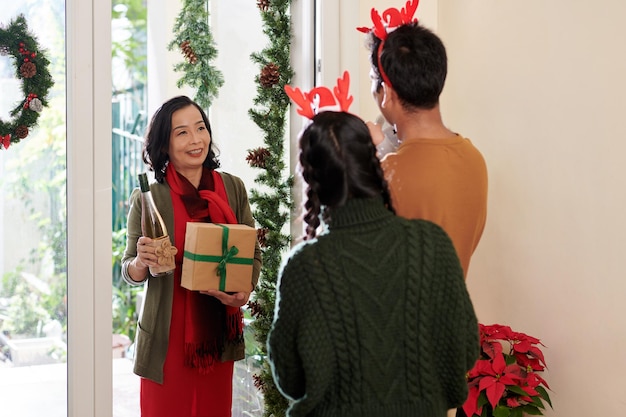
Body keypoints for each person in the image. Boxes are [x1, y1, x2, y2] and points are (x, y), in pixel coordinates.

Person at [267, 77, 479, 417]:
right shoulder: (431, 244)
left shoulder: (305, 267)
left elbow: (289, 379)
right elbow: (465, 348)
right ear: (374, 163)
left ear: (311, 179)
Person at [121, 95, 262, 417]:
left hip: (216, 333)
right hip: (167, 334)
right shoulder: (149, 197)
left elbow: (251, 251)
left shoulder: (233, 188)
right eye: (182, 132)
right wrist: (142, 261)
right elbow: (128, 272)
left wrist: (243, 291)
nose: (195, 139)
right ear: (164, 144)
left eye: (200, 128)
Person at [359, 0, 488, 278]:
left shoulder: (388, 174)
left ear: (387, 93)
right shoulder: (474, 160)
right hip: (455, 318)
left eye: (373, 79)